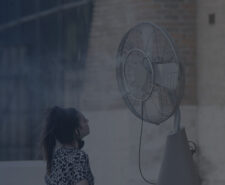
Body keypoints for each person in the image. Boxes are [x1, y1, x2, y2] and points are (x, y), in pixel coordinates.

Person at [40, 106, 94, 185]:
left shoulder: (56, 156)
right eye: (84, 120)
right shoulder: (78, 157)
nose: (87, 121)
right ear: (76, 130)